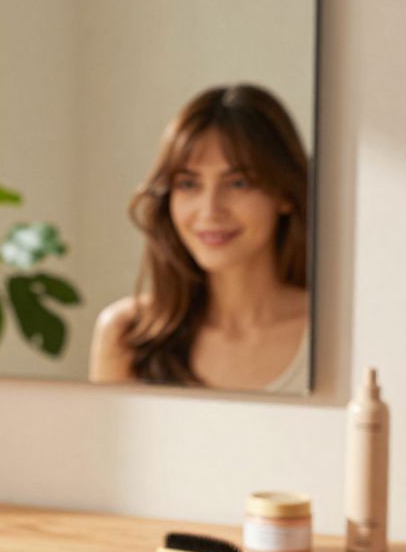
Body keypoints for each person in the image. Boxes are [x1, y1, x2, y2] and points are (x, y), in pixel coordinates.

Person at [89, 83, 309, 392]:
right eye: (189, 184)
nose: (210, 211)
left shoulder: (334, 334)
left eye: (238, 183)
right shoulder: (126, 334)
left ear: (284, 194)